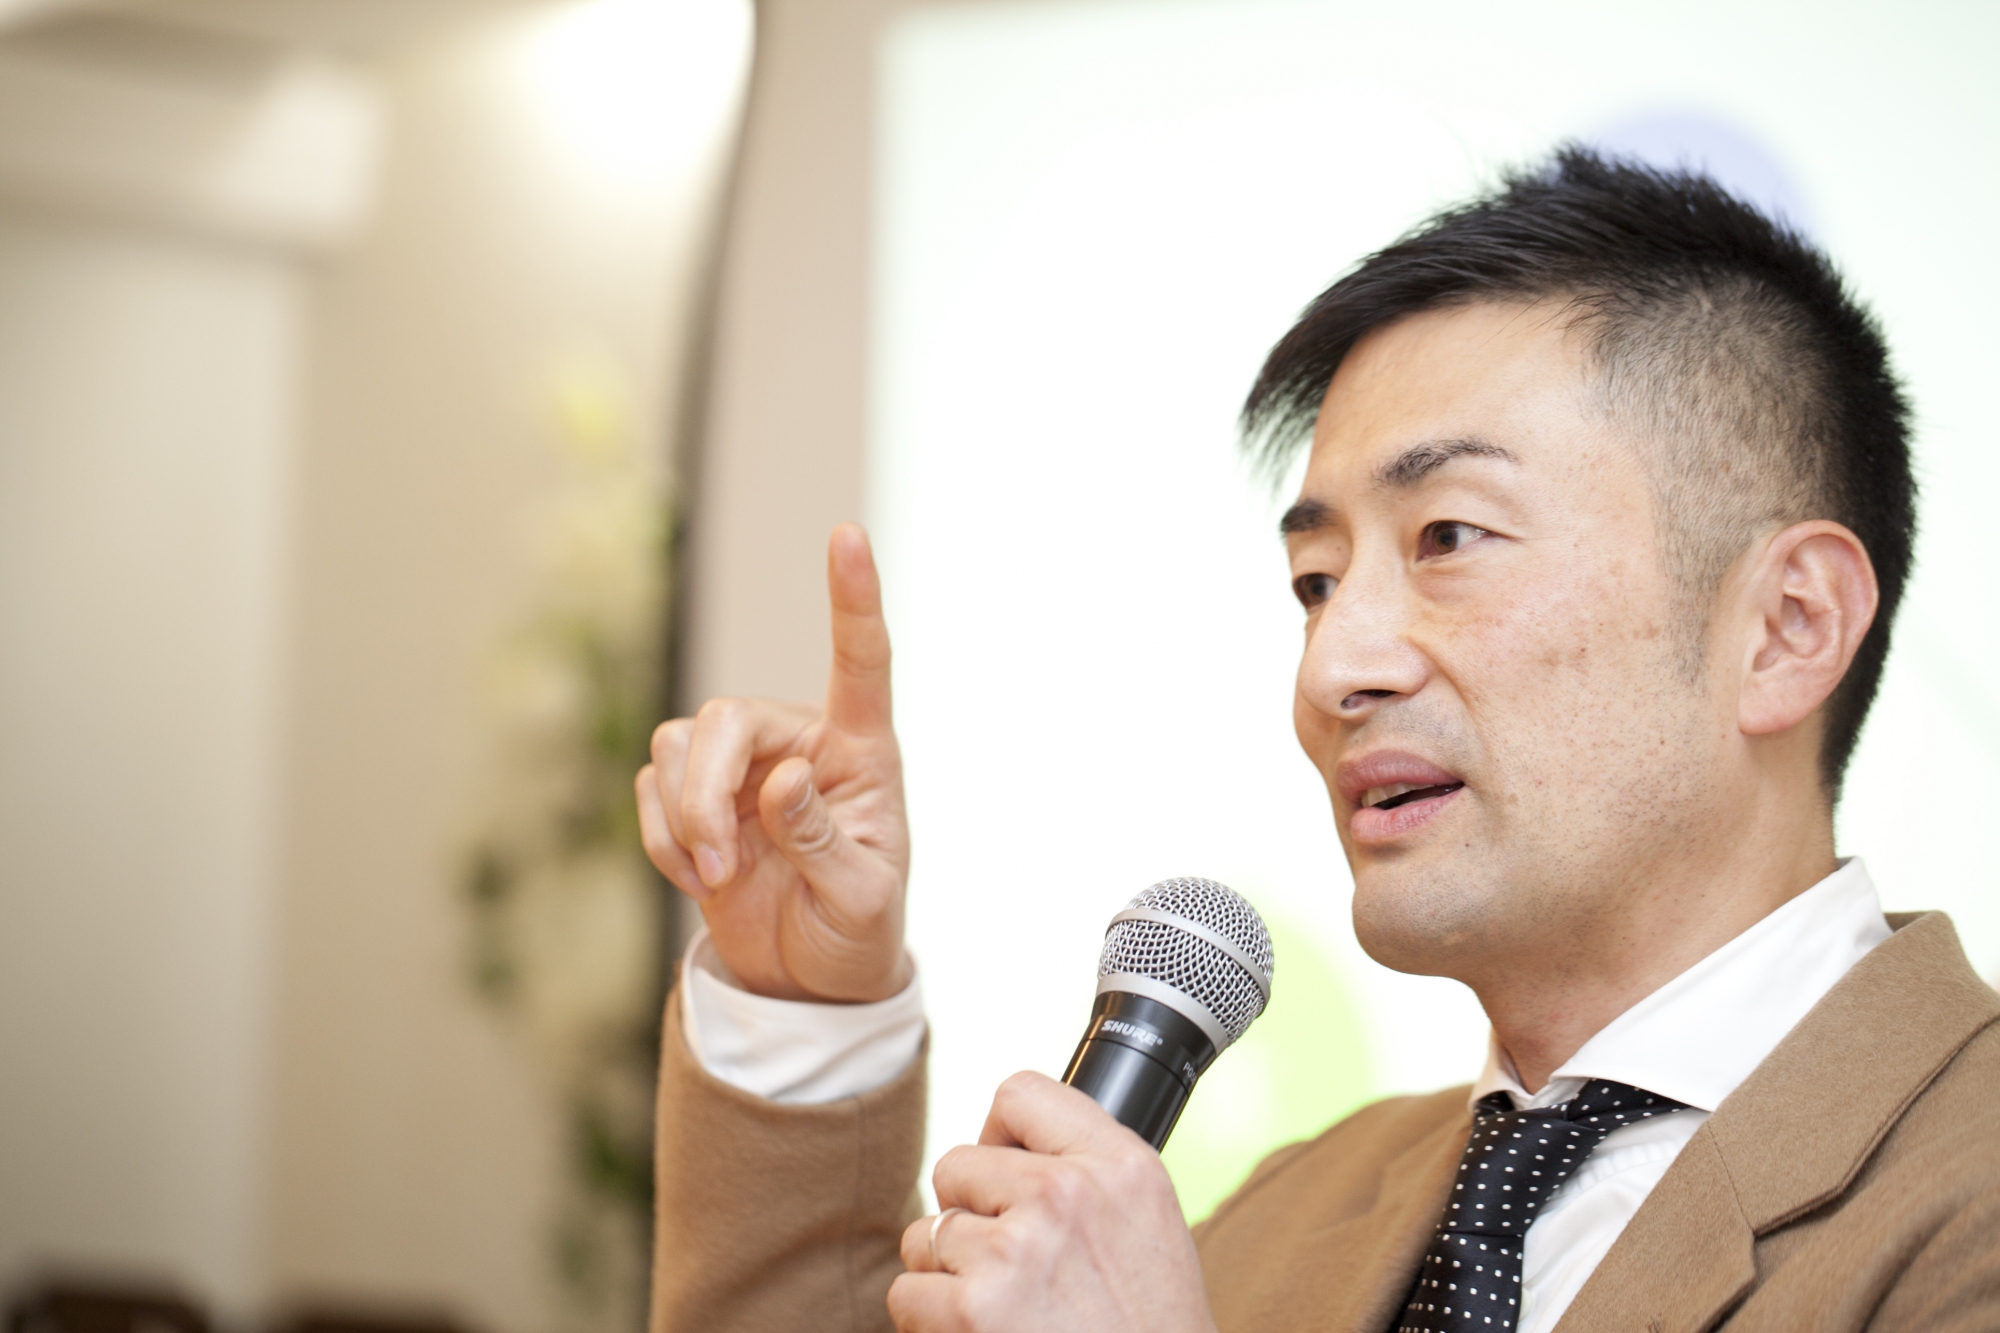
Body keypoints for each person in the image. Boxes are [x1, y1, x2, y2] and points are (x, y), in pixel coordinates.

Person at [634, 149, 2000, 1333]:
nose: (1333, 668)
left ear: (1789, 626)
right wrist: (804, 1007)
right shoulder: (1296, 1207)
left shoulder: (1963, 1181)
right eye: (1316, 581)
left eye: (1450, 537)